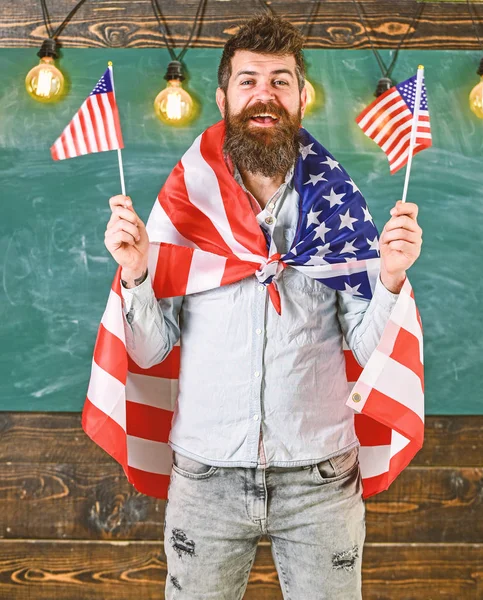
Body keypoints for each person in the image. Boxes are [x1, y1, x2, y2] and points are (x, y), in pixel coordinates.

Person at [103, 15, 423, 600]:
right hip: (206, 478)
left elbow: (368, 350)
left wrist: (393, 281)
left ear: (302, 96)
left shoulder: (338, 210)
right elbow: (150, 349)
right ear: (223, 96)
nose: (264, 95)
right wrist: (136, 274)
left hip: (320, 478)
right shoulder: (184, 205)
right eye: (248, 80)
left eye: (281, 80)